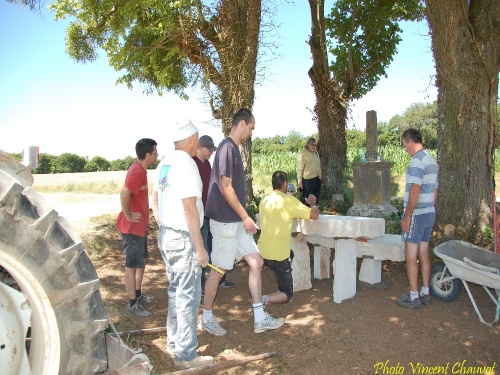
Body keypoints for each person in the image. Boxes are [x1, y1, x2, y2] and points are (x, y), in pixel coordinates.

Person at [200, 108, 285, 335]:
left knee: (256, 262)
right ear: (242, 124)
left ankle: (259, 318)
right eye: (251, 128)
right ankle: (206, 317)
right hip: (227, 223)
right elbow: (226, 187)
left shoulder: (233, 149)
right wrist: (245, 216)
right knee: (219, 270)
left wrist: (243, 218)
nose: (252, 133)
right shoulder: (227, 148)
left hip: (236, 222)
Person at [151, 120, 213, 369]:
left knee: (176, 290)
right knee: (188, 295)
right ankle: (186, 356)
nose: (198, 142)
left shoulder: (164, 162)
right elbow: (190, 209)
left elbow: (154, 198)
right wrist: (200, 248)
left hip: (167, 234)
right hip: (183, 237)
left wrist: (163, 223)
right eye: (197, 138)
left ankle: (174, 341)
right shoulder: (186, 163)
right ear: (189, 140)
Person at [258, 171, 319, 304]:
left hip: (262, 250)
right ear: (285, 183)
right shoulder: (288, 200)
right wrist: (313, 203)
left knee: (291, 254)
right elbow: (314, 216)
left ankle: (283, 276)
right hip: (278, 254)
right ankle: (262, 300)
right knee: (287, 295)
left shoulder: (264, 200)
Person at [397, 128, 438, 309]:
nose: (405, 148)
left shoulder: (416, 162)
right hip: (429, 212)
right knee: (424, 252)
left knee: (411, 254)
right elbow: (435, 190)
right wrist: (430, 206)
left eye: (405, 144)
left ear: (410, 141)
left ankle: (413, 296)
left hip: (417, 214)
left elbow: (415, 189)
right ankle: (425, 291)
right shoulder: (431, 160)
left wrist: (407, 216)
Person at [116, 138, 158, 317]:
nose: (157, 155)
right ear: (147, 155)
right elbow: (124, 192)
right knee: (131, 266)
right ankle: (132, 304)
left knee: (141, 263)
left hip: (139, 228)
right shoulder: (137, 172)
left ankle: (138, 295)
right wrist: (128, 214)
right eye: (155, 152)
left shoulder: (141, 170)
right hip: (131, 229)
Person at [193, 135, 234, 293]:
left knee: (214, 246)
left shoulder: (207, 164)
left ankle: (219, 279)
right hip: (199, 213)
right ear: (201, 147)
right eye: (209, 149)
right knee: (202, 247)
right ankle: (202, 285)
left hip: (210, 211)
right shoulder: (193, 163)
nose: (211, 152)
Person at [297, 137, 321, 206]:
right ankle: (306, 215)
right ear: (308, 144)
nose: (314, 146)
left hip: (317, 179)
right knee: (306, 200)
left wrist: (320, 176)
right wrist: (300, 181)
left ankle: (314, 213)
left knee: (315, 200)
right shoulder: (303, 153)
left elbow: (318, 165)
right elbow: (300, 168)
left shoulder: (316, 153)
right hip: (308, 181)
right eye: (312, 145)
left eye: (315, 145)